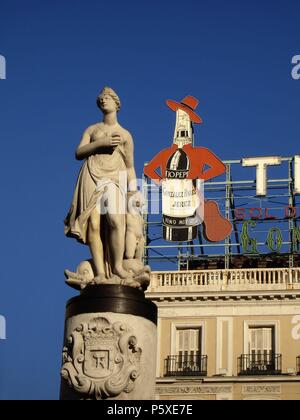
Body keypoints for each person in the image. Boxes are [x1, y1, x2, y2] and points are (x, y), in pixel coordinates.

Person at [64, 87, 137, 281]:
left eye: (107, 98)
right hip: (91, 175)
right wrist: (100, 144)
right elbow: (78, 152)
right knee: (94, 225)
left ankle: (117, 267)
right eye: (101, 98)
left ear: (116, 103)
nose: (104, 100)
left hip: (115, 178)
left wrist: (134, 191)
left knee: (115, 220)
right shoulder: (92, 129)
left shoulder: (125, 135)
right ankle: (101, 273)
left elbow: (130, 166)